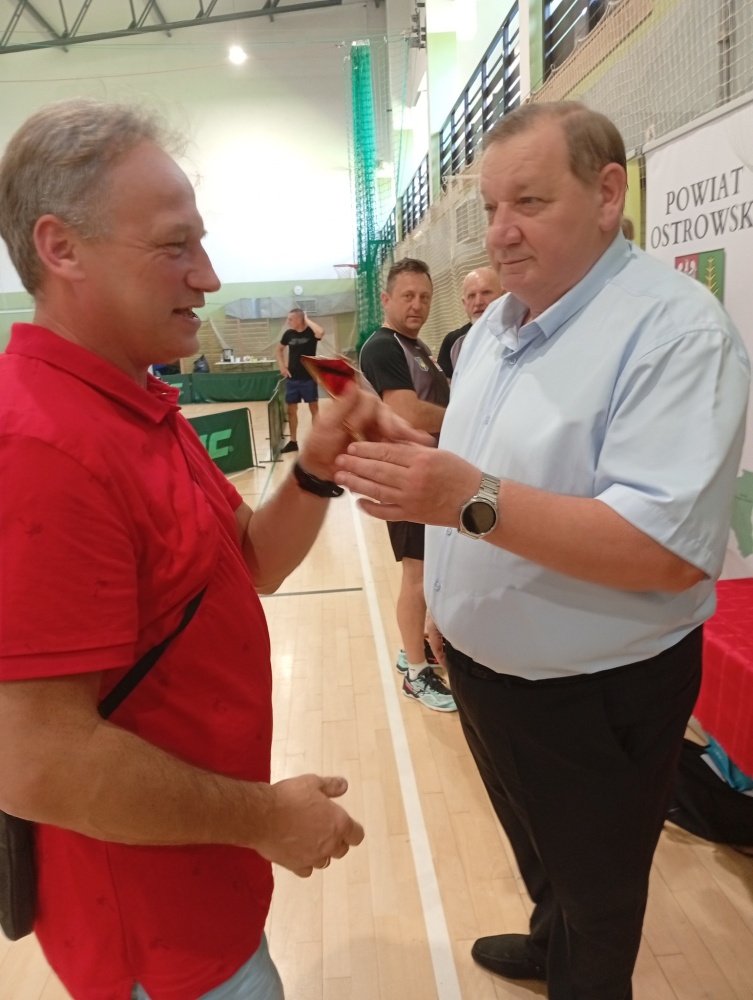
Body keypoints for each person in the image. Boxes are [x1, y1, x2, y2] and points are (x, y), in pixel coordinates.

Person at [0, 98, 431, 1000]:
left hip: (204, 883)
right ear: (61, 248)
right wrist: (265, 816)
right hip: (155, 939)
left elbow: (248, 563)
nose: (209, 277)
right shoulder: (40, 446)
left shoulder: (133, 404)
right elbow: (36, 761)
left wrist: (316, 467)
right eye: (174, 247)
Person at [335, 101, 750, 999]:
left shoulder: (674, 334)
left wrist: (462, 500)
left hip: (594, 691)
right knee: (534, 844)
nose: (500, 231)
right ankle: (544, 933)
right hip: (489, 670)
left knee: (599, 895)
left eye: (527, 201)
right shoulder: (498, 327)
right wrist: (440, 580)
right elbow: (491, 465)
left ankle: (578, 968)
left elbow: (663, 550)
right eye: (491, 207)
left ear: (606, 194)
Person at [359, 258, 456, 713]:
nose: (417, 305)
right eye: (408, 296)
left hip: (428, 475)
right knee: (416, 576)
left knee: (426, 572)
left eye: (424, 297)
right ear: (387, 299)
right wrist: (466, 419)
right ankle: (416, 675)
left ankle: (410, 649)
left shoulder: (416, 347)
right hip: (405, 477)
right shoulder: (383, 347)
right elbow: (407, 413)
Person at [436, 266, 504, 380]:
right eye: (471, 296)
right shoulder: (453, 342)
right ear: (464, 303)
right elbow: (445, 387)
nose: (478, 302)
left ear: (503, 295)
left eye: (486, 293)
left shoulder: (519, 333)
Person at [275, 307, 325, 453]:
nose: (288, 321)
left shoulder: (311, 333)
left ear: (299, 319)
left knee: (314, 409)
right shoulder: (288, 334)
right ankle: (293, 442)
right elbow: (278, 349)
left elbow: (320, 332)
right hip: (293, 379)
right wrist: (282, 366)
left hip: (309, 378)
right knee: (291, 410)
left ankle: (317, 441)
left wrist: (307, 319)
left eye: (290, 319)